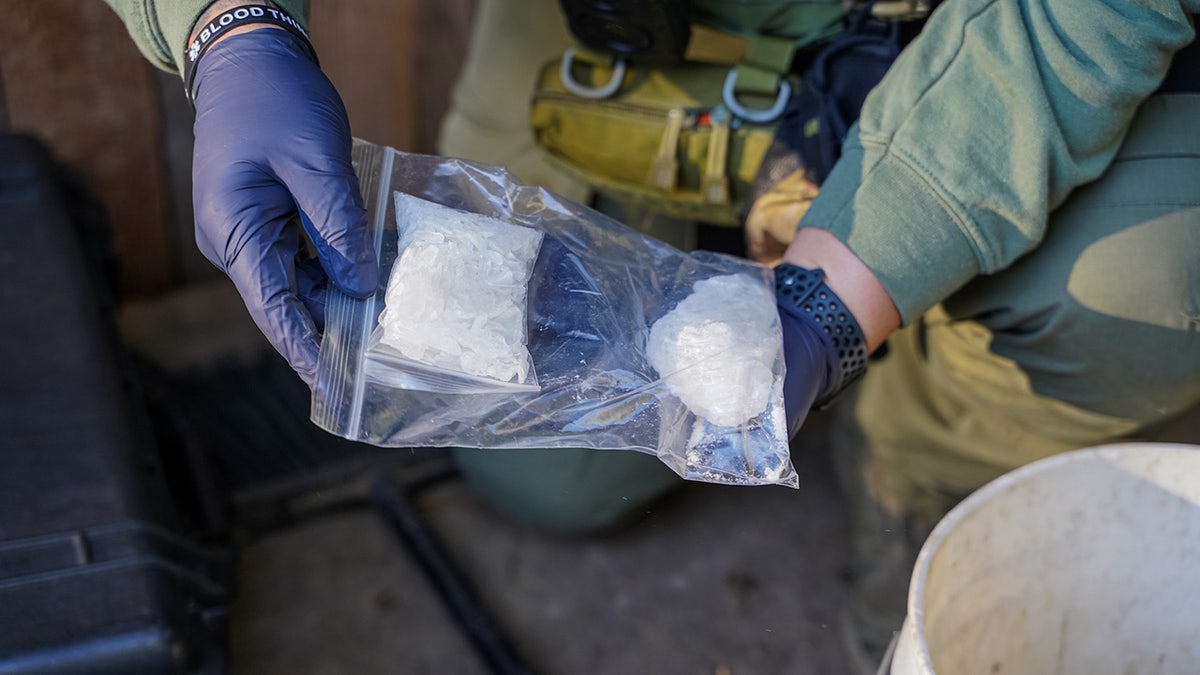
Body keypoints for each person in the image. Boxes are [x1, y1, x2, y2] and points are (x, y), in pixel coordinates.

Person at [105, 0, 1200, 671]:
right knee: (549, 476)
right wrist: (228, 26)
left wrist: (839, 292)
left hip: (983, 43)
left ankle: (928, 474)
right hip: (623, 31)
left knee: (1146, 281)